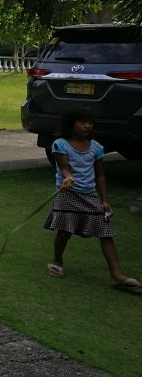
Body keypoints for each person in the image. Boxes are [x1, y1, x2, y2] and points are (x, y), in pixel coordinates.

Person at [44, 107, 140, 290]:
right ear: (71, 125)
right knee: (64, 231)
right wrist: (67, 177)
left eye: (90, 122)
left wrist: (104, 200)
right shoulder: (60, 144)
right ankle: (57, 261)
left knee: (105, 233)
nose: (87, 126)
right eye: (82, 122)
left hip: (90, 195)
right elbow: (63, 167)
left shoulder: (96, 147)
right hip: (67, 193)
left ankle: (117, 276)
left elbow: (100, 175)